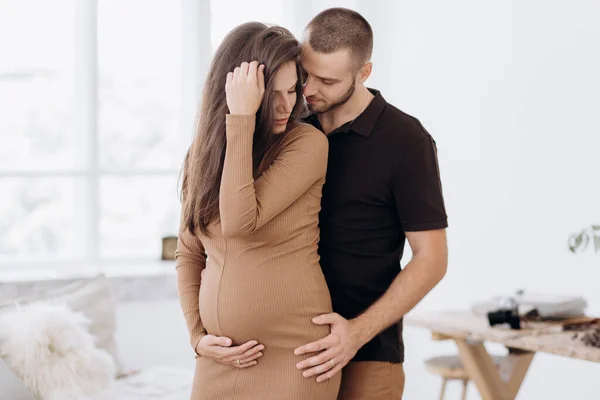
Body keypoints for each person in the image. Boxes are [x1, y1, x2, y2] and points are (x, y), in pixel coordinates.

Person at [174, 22, 341, 400]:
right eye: (271, 94)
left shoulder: (306, 144)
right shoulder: (203, 157)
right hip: (221, 359)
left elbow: (238, 221)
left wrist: (241, 121)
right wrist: (198, 339)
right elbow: (189, 252)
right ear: (234, 93)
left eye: (292, 90)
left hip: (295, 356)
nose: (287, 106)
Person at [292, 8, 449, 400]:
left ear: (364, 74)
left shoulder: (406, 140)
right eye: (304, 72)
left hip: (368, 356)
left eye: (327, 80)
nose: (309, 89)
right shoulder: (291, 125)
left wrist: (355, 334)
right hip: (290, 353)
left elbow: (432, 258)